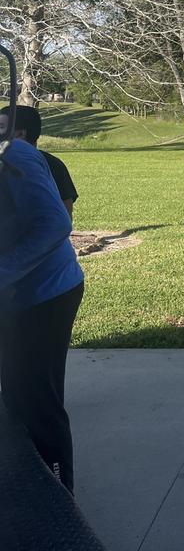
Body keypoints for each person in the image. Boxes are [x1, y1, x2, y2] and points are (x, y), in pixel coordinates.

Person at [0, 133, 84, 494]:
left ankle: (58, 499)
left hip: (46, 295)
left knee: (37, 402)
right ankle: (26, 488)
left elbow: (56, 224)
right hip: (12, 297)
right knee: (15, 396)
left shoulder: (15, 155)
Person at [0, 105, 78, 219]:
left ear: (20, 134)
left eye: (1, 127)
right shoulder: (55, 164)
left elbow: (65, 215)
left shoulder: (52, 166)